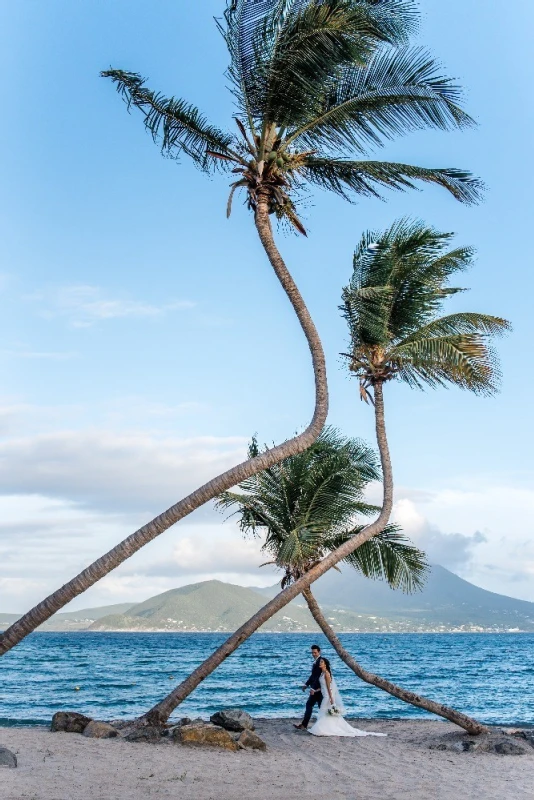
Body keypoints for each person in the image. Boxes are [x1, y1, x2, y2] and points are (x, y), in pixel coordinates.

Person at [308, 657, 387, 738]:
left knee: (323, 711)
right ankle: (325, 727)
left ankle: (323, 728)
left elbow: (329, 687)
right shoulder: (322, 673)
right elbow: (323, 686)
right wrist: (315, 690)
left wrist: (331, 698)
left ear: (325, 664)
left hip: (327, 696)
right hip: (325, 695)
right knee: (325, 713)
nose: (320, 663)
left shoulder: (327, 674)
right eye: (320, 662)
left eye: (321, 662)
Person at [293, 644, 323, 730]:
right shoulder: (316, 662)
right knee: (314, 706)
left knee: (315, 706)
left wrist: (314, 689)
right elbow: (313, 676)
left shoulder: (320, 662)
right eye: (312, 653)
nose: (313, 654)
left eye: (315, 652)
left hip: (318, 690)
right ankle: (304, 725)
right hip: (315, 689)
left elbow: (319, 677)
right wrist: (306, 684)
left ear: (319, 652)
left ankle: (305, 725)